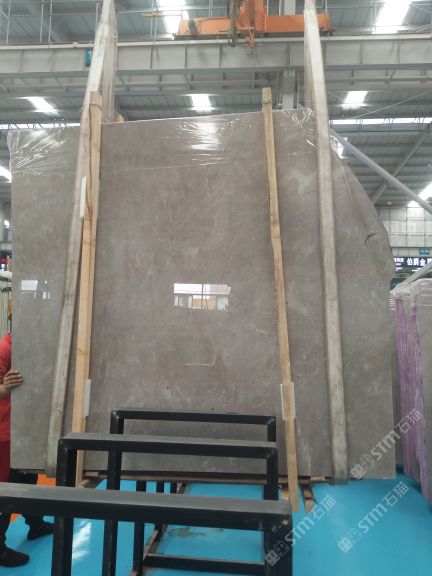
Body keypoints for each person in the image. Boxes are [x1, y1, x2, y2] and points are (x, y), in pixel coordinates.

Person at [0, 300, 53, 567]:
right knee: (6, 488)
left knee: (28, 479)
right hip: (5, 433)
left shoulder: (31, 347)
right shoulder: (5, 348)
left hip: (25, 429)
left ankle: (36, 523)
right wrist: (5, 388)